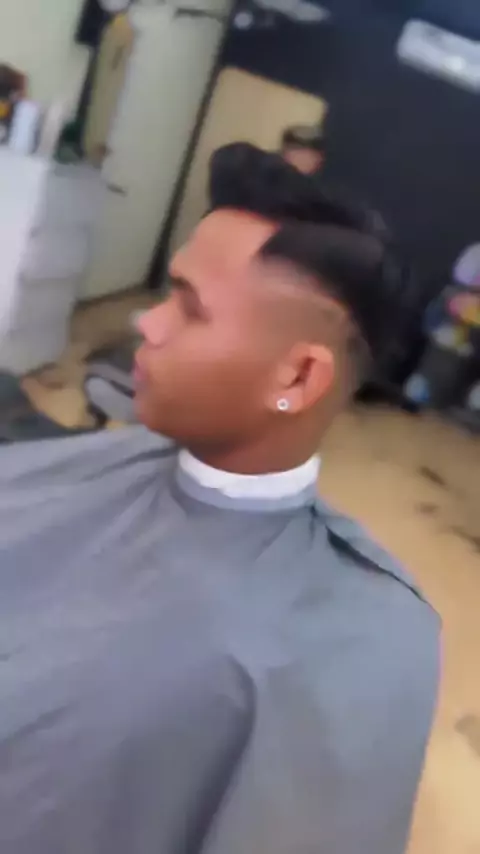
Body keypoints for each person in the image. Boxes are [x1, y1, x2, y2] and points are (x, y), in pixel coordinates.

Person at [0, 144, 439, 854]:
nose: (148, 323)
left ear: (296, 377)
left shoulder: (364, 638)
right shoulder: (106, 463)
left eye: (190, 307)